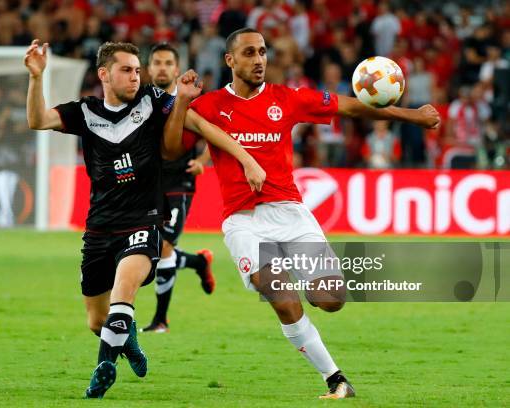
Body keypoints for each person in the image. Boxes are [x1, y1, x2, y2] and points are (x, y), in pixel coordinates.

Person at [165, 28, 440, 399]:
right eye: (249, 53)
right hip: (244, 221)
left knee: (330, 299)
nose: (259, 59)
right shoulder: (209, 106)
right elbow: (169, 150)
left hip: (291, 214)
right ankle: (336, 378)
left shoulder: (287, 98)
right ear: (230, 60)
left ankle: (306, 280)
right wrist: (182, 102)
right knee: (281, 295)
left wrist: (413, 115)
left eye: (262, 52)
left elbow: (351, 106)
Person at [24, 39, 265, 399]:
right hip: (99, 227)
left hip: (142, 222)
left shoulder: (153, 101)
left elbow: (201, 126)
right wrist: (36, 77)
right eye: (126, 70)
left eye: (138, 70)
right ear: (104, 74)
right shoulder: (86, 113)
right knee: (97, 321)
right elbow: (37, 119)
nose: (135, 77)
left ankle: (103, 369)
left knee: (124, 295)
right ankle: (129, 340)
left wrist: (245, 158)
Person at [142, 42, 215, 333]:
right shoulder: (142, 101)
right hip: (149, 183)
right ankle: (198, 262)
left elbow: (214, 132)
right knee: (152, 250)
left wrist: (202, 161)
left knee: (163, 246)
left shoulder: (191, 101)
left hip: (179, 182)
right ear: (148, 69)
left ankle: (161, 320)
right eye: (156, 62)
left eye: (167, 63)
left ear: (176, 68)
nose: (162, 67)